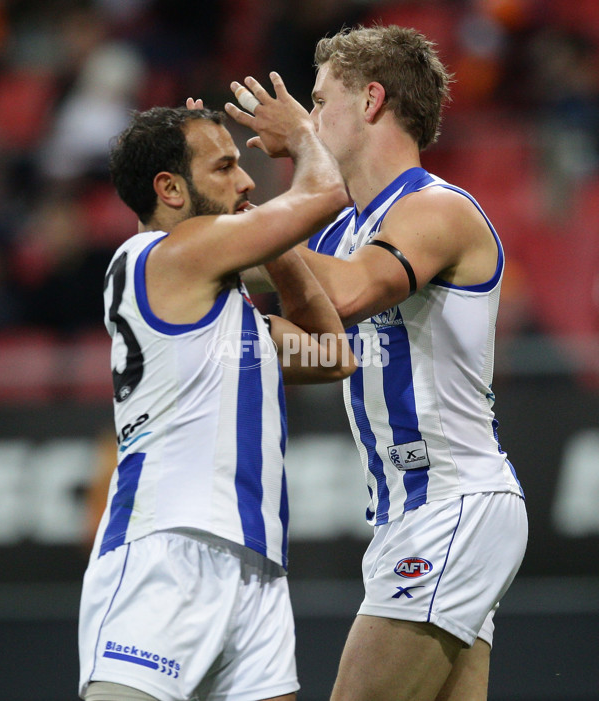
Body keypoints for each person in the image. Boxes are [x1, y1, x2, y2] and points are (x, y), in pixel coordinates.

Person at [229, 25, 528, 701]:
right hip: (414, 512)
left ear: (369, 101)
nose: (309, 116)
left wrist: (289, 175)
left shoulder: (438, 210)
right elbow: (328, 348)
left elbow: (353, 291)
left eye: (319, 101)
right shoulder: (342, 232)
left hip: (451, 500)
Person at [78, 72, 355, 701]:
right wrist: (304, 133)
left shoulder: (228, 316)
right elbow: (324, 191)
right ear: (169, 190)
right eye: (225, 166)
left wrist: (275, 242)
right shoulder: (162, 253)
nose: (248, 180)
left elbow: (332, 354)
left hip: (255, 564)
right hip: (167, 546)